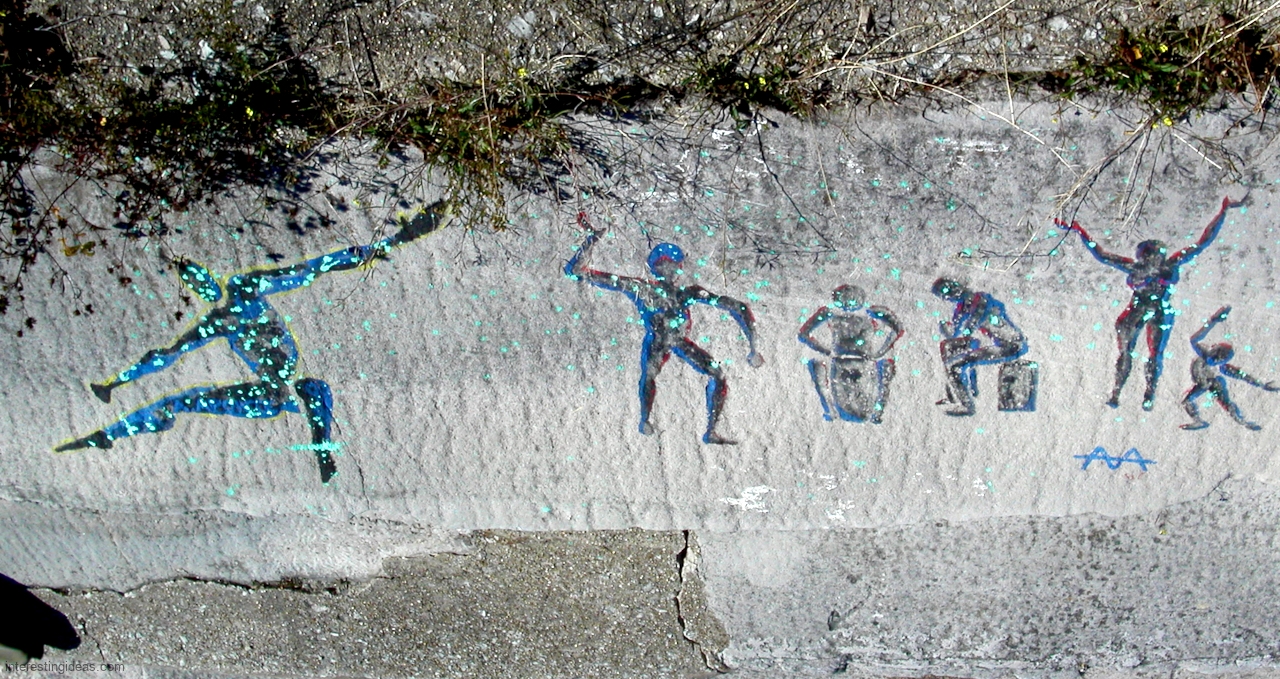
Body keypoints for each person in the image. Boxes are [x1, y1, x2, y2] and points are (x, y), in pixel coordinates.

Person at [55, 201, 452, 483]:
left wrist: (394, 241)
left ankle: (323, 453)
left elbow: (316, 267)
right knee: (186, 400)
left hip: (282, 389)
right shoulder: (216, 321)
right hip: (267, 395)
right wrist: (117, 383)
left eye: (199, 276)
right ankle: (109, 435)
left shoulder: (244, 288)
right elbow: (165, 356)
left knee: (312, 389)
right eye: (195, 281)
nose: (202, 284)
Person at [565, 211, 764, 444]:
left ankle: (668, 423)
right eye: (667, 264)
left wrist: (754, 345)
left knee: (702, 374)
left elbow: (739, 307)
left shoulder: (663, 290)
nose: (670, 270)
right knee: (660, 374)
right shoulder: (655, 289)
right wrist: (592, 237)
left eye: (671, 265)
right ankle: (652, 420)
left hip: (668, 341)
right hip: (663, 341)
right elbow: (738, 307)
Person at [1059, 196, 1244, 410]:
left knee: (1152, 354)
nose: (1153, 259)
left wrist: (1222, 212)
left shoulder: (1163, 266)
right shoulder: (1149, 267)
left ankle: (1145, 392)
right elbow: (1102, 255)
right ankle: (1121, 391)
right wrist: (1079, 230)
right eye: (1151, 255)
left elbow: (1202, 242)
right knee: (1131, 352)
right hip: (1143, 310)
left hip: (1156, 311)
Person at [797, 284, 902, 423]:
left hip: (852, 363)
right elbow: (896, 328)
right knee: (854, 403)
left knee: (858, 404)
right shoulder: (867, 314)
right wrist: (880, 352)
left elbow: (804, 334)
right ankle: (863, 414)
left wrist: (826, 351)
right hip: (853, 363)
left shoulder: (833, 315)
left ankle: (839, 412)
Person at [932, 277, 1027, 416]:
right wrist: (947, 328)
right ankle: (959, 394)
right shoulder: (963, 306)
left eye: (948, 290)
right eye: (944, 295)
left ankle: (967, 405)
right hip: (1001, 344)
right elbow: (955, 331)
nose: (949, 296)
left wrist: (964, 328)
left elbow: (974, 321)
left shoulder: (981, 299)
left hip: (1011, 346)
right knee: (950, 352)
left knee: (955, 366)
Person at [1180, 305, 1279, 431]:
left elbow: (1241, 375)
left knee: (1224, 403)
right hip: (1206, 382)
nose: (1215, 360)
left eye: (1219, 359)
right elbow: (1242, 376)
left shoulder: (1216, 363)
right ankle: (1237, 421)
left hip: (1209, 382)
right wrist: (1213, 320)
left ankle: (1241, 421)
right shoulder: (1207, 356)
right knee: (1220, 402)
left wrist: (1261, 385)